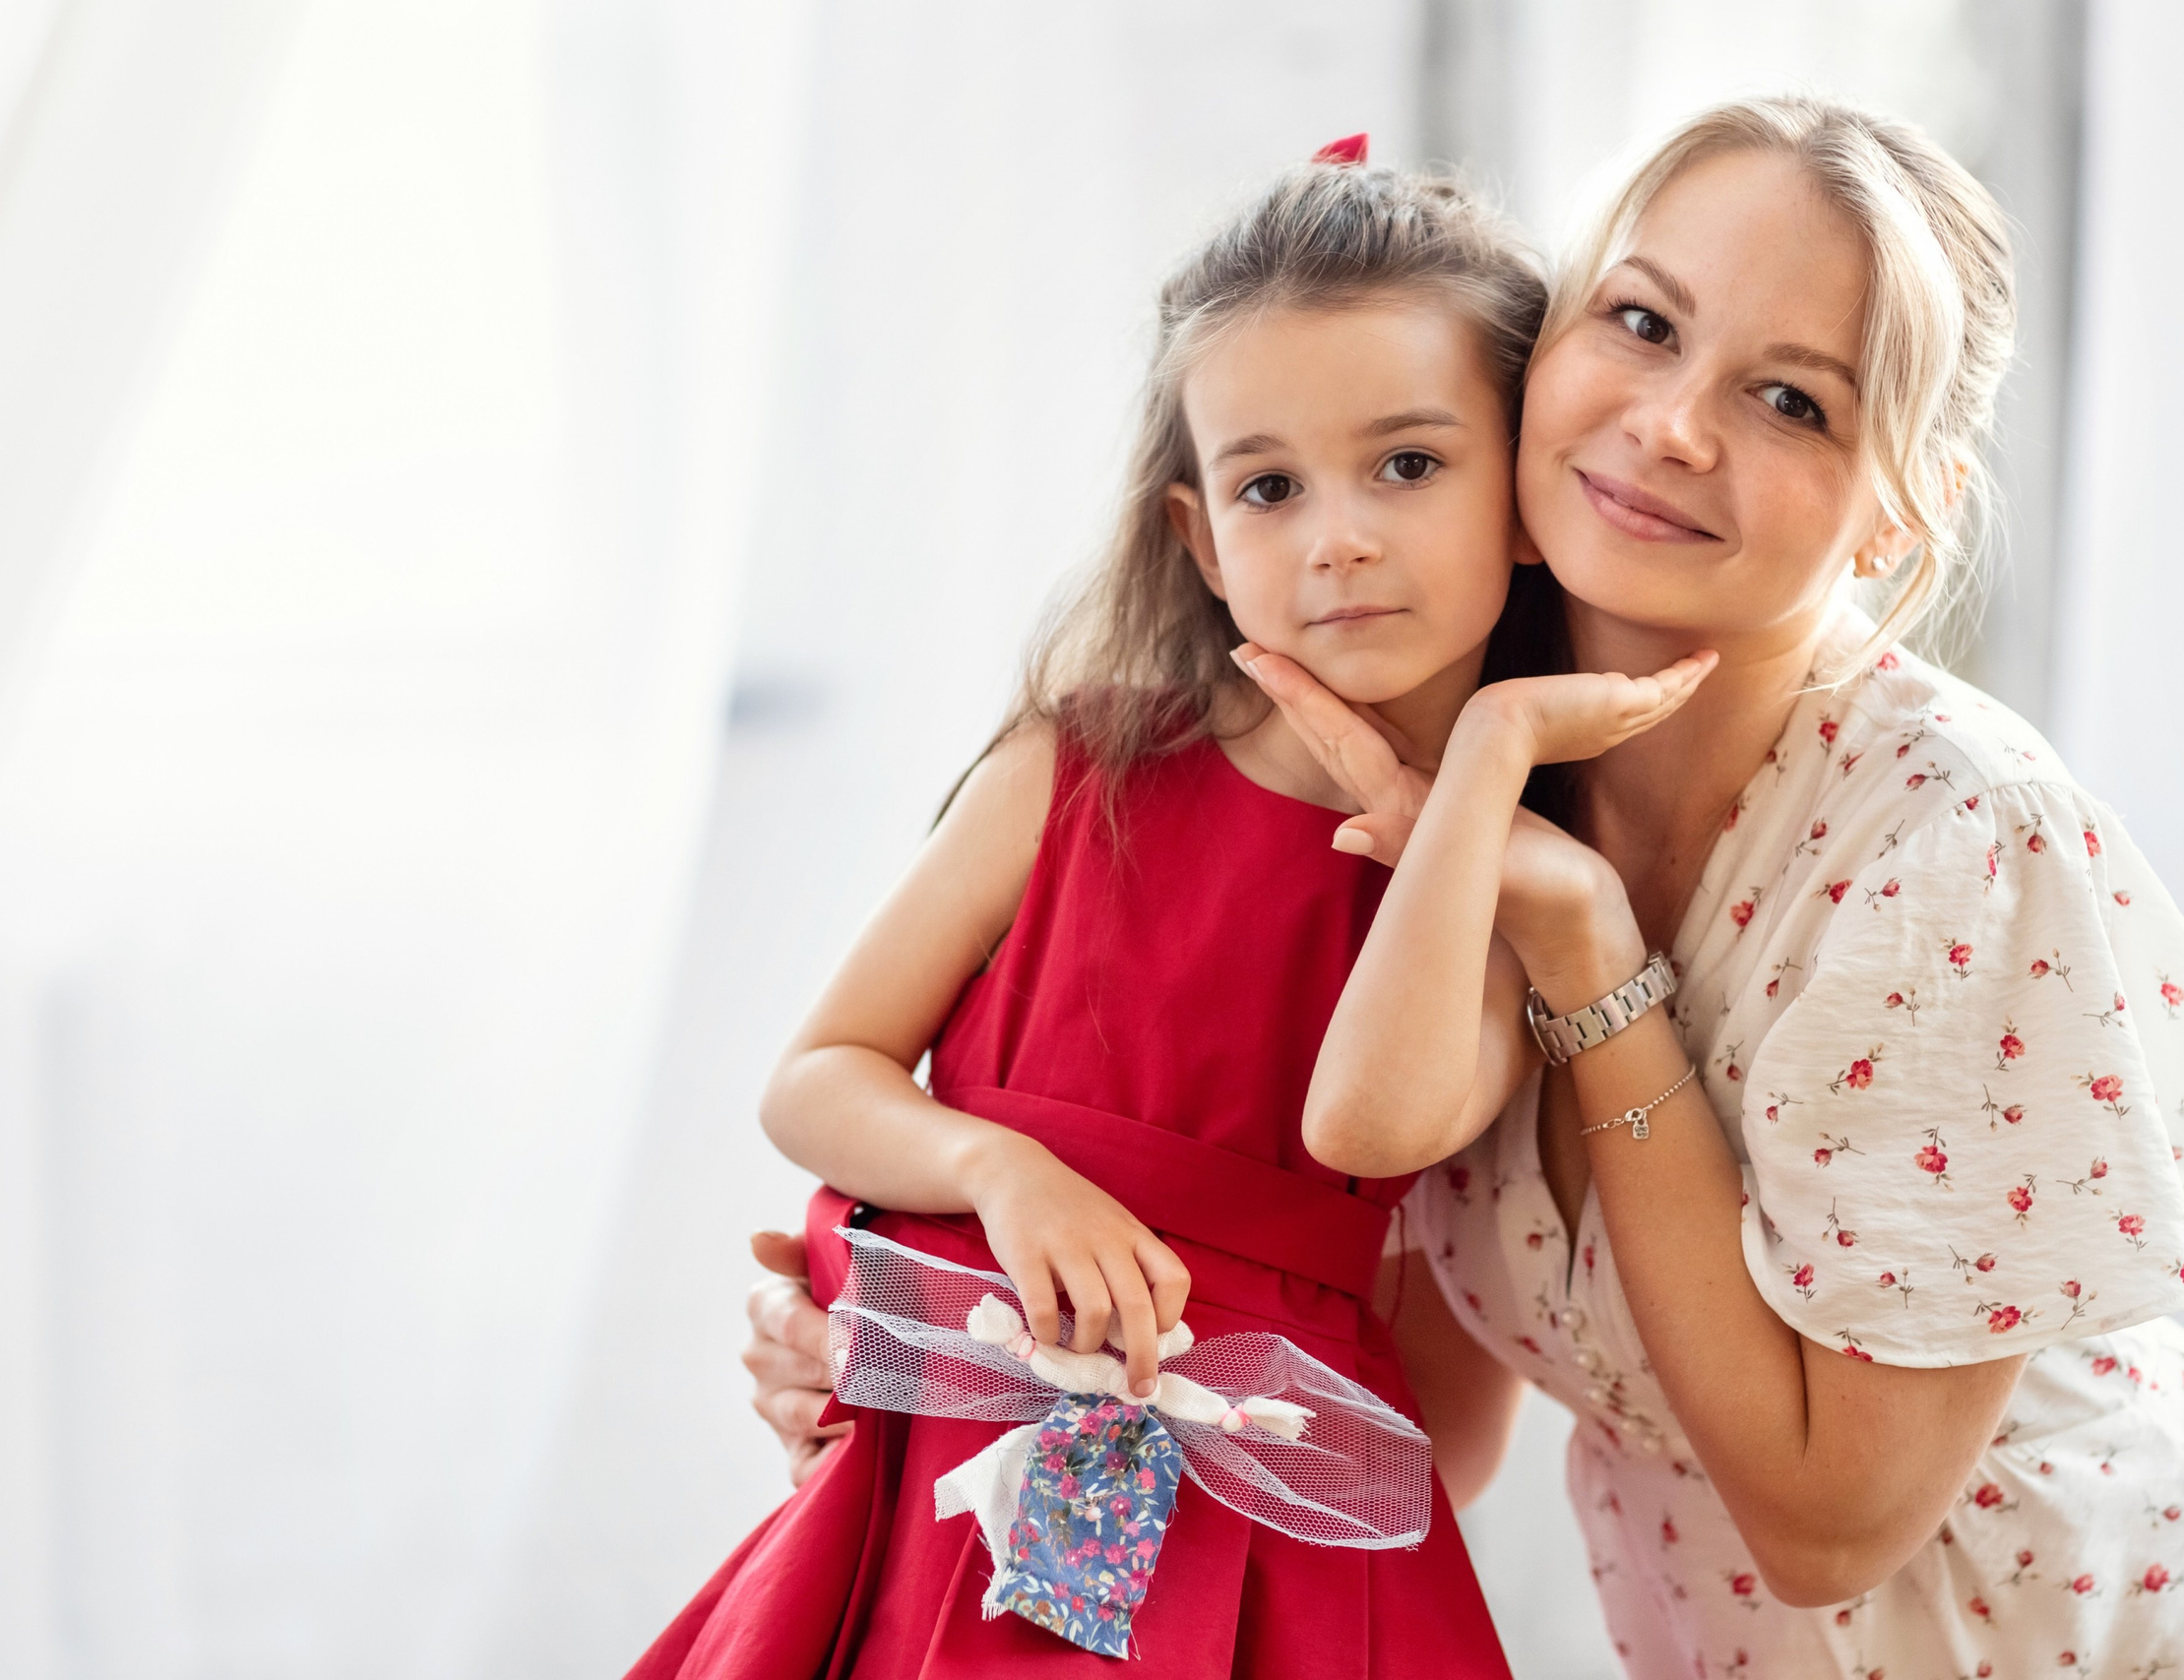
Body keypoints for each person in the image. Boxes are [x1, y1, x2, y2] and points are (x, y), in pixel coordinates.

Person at [1242, 97, 2184, 1678]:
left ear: (1904, 514)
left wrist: (1591, 954)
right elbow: (1436, 1414)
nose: (1674, 426)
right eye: (1643, 322)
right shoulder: (1465, 766)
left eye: (1791, 401)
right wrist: (994, 1347)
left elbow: (1830, 1525)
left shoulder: (1951, 843)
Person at [628, 151, 1614, 1679]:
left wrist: (1481, 775)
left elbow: (1401, 1168)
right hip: (945, 1504)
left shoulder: (1522, 884)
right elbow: (817, 1077)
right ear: (1202, 541)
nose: (1338, 538)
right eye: (1270, 487)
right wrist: (1001, 1173)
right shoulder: (1074, 770)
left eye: (1409, 465)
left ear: (1530, 493)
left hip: (1266, 1556)